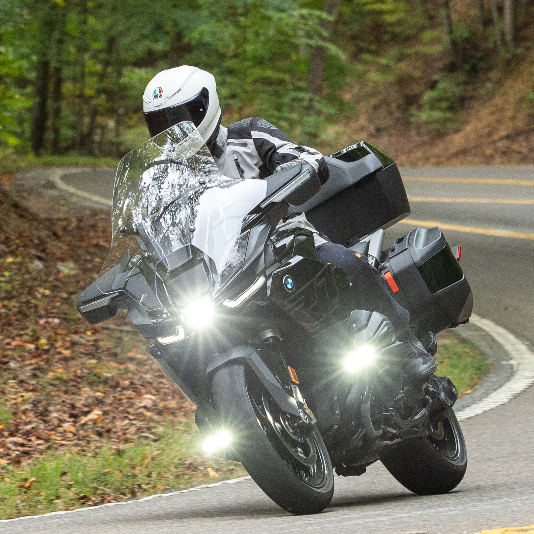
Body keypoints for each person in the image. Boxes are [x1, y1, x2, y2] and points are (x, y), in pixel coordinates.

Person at [140, 65, 437, 382]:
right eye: (161, 123)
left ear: (205, 106)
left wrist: (299, 168)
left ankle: (407, 343)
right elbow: (149, 227)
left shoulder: (249, 136)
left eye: (180, 119)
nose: (173, 131)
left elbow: (302, 155)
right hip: (222, 278)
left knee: (345, 263)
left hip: (286, 245)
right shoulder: (161, 178)